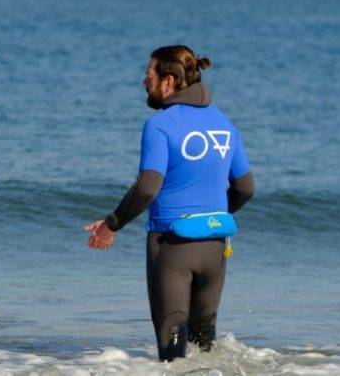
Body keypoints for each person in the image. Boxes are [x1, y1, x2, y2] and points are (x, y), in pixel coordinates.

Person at [85, 46, 254, 362]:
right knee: (206, 349)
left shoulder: (160, 125)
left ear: (169, 81)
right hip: (215, 246)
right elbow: (245, 188)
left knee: (172, 352)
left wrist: (112, 224)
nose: (143, 82)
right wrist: (210, 216)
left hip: (171, 245)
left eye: (149, 76)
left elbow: (148, 187)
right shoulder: (225, 125)